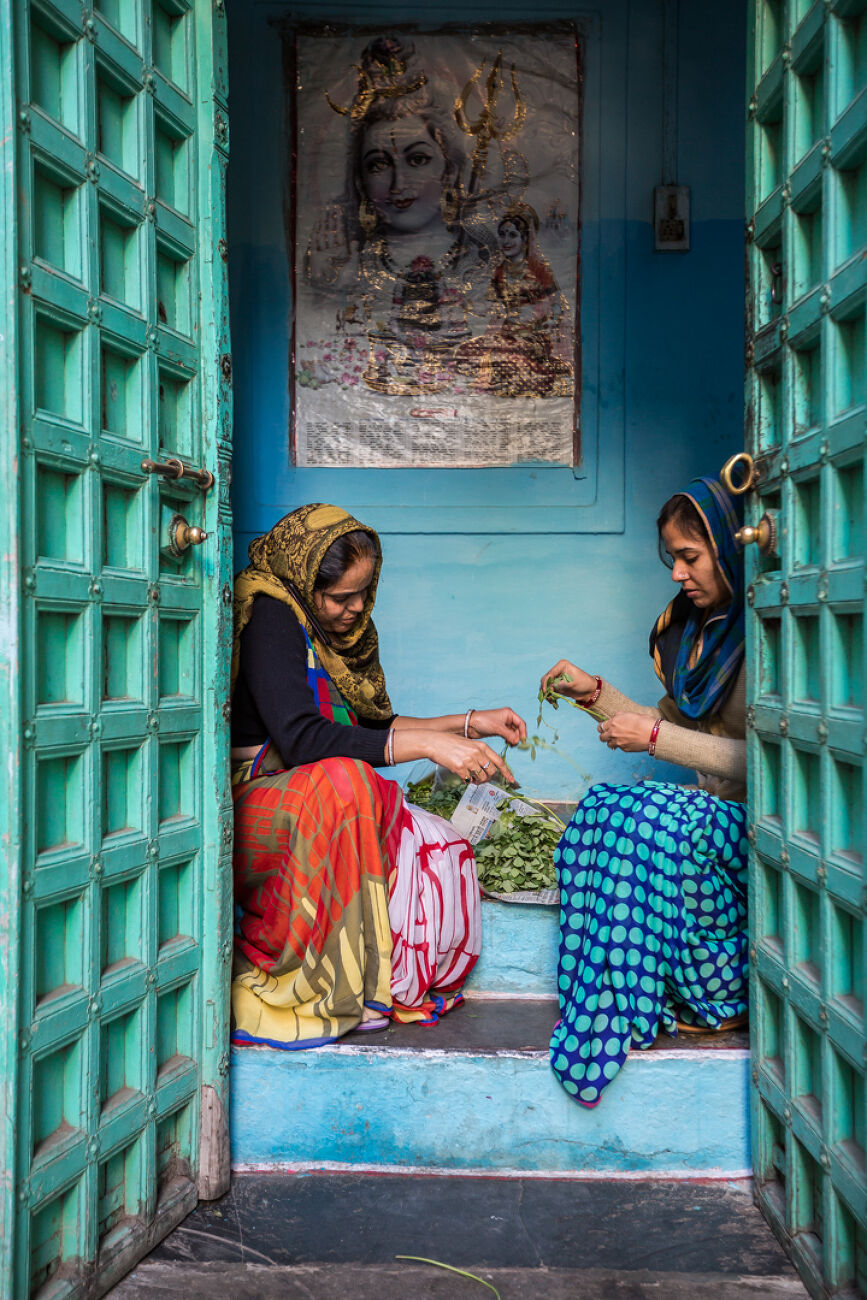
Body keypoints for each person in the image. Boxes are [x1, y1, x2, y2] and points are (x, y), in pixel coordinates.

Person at [230, 502, 526, 1049]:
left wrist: (465, 724)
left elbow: (367, 726)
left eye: (365, 593)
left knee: (366, 788)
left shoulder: (325, 631)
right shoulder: (270, 611)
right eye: (341, 597)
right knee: (349, 783)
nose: (356, 608)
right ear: (303, 577)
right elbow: (301, 739)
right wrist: (428, 745)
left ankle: (368, 980)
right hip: (259, 811)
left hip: (308, 802)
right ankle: (310, 975)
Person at [540, 477, 748, 1107]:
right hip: (707, 822)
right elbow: (669, 725)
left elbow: (776, 763)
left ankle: (709, 989)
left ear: (733, 548)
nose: (679, 572)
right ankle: (616, 992)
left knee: (655, 818)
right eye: (673, 558)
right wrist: (591, 694)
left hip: (760, 829)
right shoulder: (697, 634)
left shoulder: (772, 634)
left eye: (692, 556)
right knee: (604, 808)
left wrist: (657, 740)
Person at [305, 36, 492, 396]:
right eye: (378, 164)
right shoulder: (352, 269)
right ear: (360, 181)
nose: (398, 184)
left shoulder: (483, 263)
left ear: (450, 170)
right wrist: (327, 289)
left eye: (418, 159)